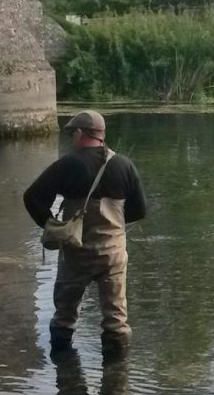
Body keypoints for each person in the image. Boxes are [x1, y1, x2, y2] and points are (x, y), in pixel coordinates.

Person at [24, 110, 147, 354]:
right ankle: (116, 380)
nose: (72, 139)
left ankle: (65, 376)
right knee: (116, 320)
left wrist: (51, 225)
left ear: (80, 133)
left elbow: (32, 197)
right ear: (102, 135)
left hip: (75, 251)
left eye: (73, 133)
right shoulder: (124, 165)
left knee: (64, 317)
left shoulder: (69, 164)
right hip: (113, 254)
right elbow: (139, 210)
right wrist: (115, 226)